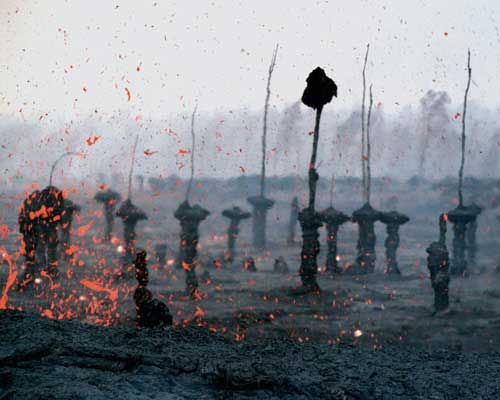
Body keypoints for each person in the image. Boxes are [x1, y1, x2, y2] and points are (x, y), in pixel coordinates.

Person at [17, 190, 41, 289]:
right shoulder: (34, 206)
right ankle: (29, 274)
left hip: (29, 233)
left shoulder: (27, 204)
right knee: (30, 253)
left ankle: (30, 273)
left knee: (30, 253)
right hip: (31, 233)